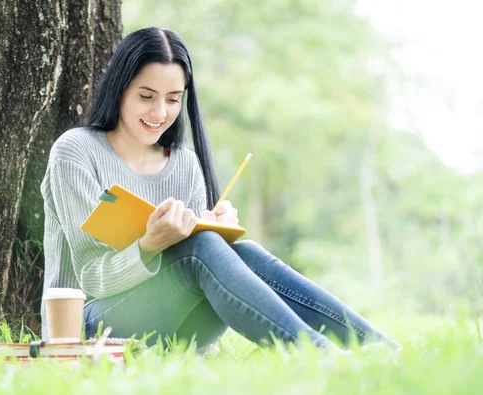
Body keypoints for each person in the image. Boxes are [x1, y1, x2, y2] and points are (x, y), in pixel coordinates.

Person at [40, 27, 400, 352]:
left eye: (173, 98)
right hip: (88, 328)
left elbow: (198, 270)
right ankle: (319, 354)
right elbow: (90, 278)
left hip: (178, 328)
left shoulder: (184, 163)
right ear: (119, 90)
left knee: (243, 250)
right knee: (200, 247)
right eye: (146, 96)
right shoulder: (76, 152)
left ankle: (377, 346)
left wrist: (217, 235)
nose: (160, 112)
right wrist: (150, 244)